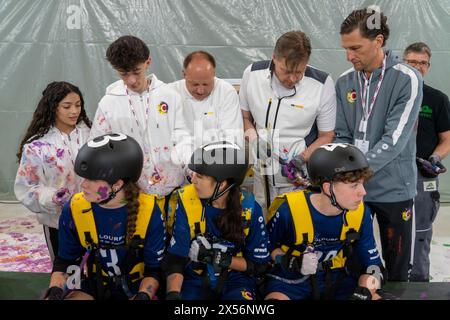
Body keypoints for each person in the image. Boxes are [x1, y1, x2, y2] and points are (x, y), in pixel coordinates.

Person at [335, 8, 423, 281]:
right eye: (346, 49)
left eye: (356, 48)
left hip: (393, 192)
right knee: (353, 266)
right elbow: (341, 135)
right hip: (353, 192)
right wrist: (341, 177)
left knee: (397, 269)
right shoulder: (344, 81)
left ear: (378, 41)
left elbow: (394, 140)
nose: (350, 56)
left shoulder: (406, 78)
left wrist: (352, 173)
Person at [43, 134, 165, 300]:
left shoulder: (149, 210)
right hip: (96, 285)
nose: (83, 185)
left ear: (117, 184)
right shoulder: (76, 207)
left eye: (92, 180)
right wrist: (55, 291)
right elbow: (65, 261)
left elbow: (154, 270)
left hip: (137, 287)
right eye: (84, 178)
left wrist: (143, 295)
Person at [265, 143, 388, 300]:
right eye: (354, 185)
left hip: (338, 278)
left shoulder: (360, 212)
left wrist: (363, 293)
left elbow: (374, 267)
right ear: (327, 187)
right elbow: (266, 249)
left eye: (362, 184)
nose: (363, 192)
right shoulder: (289, 209)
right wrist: (291, 262)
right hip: (291, 280)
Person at [239, 30, 336, 213]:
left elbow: (327, 135)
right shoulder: (252, 74)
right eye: (286, 71)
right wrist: (253, 138)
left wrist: (302, 158)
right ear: (274, 58)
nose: (292, 79)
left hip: (297, 173)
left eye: (299, 72)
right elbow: (245, 118)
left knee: (294, 223)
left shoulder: (322, 84)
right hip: (263, 169)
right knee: (263, 218)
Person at [161, 141, 271, 300]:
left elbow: (259, 265)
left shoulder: (249, 208)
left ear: (222, 184)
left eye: (200, 176)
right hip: (196, 277)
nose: (193, 181)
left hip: (236, 279)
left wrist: (215, 257)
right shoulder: (187, 201)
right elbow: (176, 259)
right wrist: (173, 294)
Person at [90, 35, 191, 199]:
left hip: (174, 187)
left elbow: (183, 138)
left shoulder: (169, 96)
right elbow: (98, 147)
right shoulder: (108, 103)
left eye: (137, 71)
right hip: (134, 192)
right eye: (123, 73)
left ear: (148, 62)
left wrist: (191, 168)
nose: (131, 80)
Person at [14, 81, 91, 261]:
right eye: (67, 106)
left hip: (95, 218)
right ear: (53, 107)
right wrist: (52, 197)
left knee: (96, 274)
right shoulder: (37, 146)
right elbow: (27, 188)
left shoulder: (92, 134)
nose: (74, 111)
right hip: (58, 222)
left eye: (78, 105)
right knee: (66, 272)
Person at [403, 42, 450, 281]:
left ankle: (420, 280)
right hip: (395, 176)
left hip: (423, 176)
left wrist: (435, 157)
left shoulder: (437, 99)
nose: (417, 67)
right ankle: (394, 278)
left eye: (422, 63)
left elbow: (447, 139)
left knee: (421, 230)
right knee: (395, 232)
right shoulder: (392, 96)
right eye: (412, 62)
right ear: (403, 63)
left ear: (428, 66)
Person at [168, 50, 244, 155]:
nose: (200, 90)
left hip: (216, 162)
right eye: (195, 84)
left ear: (214, 74)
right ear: (184, 74)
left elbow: (231, 139)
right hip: (179, 161)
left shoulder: (226, 92)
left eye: (206, 84)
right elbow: (166, 138)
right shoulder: (169, 94)